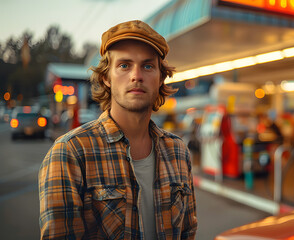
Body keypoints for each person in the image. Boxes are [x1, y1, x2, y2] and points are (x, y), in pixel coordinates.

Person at [38, 20, 198, 239]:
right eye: (124, 65)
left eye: (148, 66)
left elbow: (188, 232)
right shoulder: (70, 153)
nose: (136, 76)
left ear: (160, 77)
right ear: (106, 78)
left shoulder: (178, 152)